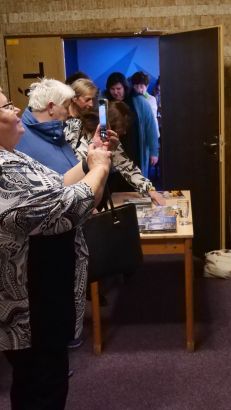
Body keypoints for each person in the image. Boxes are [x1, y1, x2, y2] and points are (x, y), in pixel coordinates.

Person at [0, 86, 111, 409]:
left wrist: (90, 159)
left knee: (34, 379)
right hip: (31, 301)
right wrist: (101, 168)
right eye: (6, 106)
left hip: (42, 292)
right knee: (43, 384)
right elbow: (69, 207)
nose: (17, 110)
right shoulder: (4, 168)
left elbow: (58, 187)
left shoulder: (12, 155)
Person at [16, 78, 119, 346]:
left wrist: (92, 157)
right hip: (41, 243)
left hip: (69, 231)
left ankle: (64, 341)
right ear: (51, 107)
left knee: (66, 297)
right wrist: (96, 168)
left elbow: (64, 179)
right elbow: (53, 194)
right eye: (67, 104)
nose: (71, 109)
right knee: (47, 308)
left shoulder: (57, 132)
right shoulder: (21, 139)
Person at [69, 100, 164, 204]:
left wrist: (150, 190)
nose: (124, 132)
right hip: (74, 197)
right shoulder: (75, 130)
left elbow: (127, 166)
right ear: (110, 126)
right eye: (121, 128)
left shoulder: (109, 139)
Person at [104, 72, 139, 164]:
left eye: (118, 88)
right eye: (112, 89)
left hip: (131, 143)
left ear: (124, 87)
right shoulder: (104, 102)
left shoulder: (135, 100)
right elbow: (102, 126)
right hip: (113, 145)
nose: (115, 92)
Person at [130, 71, 159, 177]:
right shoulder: (132, 99)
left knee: (145, 165)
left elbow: (152, 123)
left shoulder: (151, 99)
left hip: (150, 135)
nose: (139, 89)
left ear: (147, 86)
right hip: (140, 136)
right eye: (136, 86)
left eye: (142, 86)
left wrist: (154, 150)